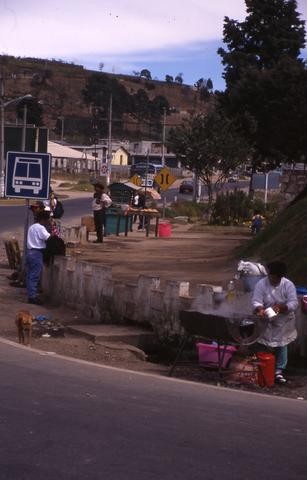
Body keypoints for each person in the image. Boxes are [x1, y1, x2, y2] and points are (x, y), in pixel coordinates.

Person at [252, 260, 298, 384]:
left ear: (280, 277)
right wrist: (260, 309)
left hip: (283, 320)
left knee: (281, 344)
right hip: (266, 318)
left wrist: (281, 307)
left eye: (274, 278)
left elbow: (293, 303)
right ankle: (262, 366)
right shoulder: (261, 284)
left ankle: (279, 370)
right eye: (270, 276)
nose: (272, 279)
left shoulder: (288, 285)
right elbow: (256, 300)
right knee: (261, 342)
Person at [26, 210, 52, 305]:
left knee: (30, 275)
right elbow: (48, 238)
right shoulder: (41, 228)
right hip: (37, 252)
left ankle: (31, 294)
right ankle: (32, 297)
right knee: (34, 276)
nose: (48, 221)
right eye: (47, 219)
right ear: (43, 219)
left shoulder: (32, 227)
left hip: (30, 252)